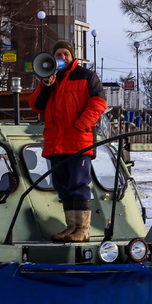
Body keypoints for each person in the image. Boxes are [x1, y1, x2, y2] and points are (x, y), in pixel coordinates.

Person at [30, 40, 107, 242]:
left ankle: (83, 230)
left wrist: (82, 124)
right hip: (57, 144)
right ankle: (72, 228)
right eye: (58, 54)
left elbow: (99, 102)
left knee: (79, 185)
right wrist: (47, 85)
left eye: (65, 54)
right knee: (63, 186)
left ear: (72, 56)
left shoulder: (86, 76)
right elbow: (36, 105)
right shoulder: (49, 79)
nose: (62, 57)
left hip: (79, 142)